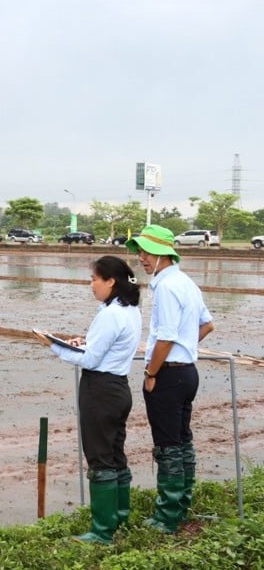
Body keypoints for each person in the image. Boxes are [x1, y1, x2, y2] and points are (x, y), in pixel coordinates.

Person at [33, 255, 141, 544]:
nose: (91, 285)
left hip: (100, 391)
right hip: (119, 388)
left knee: (100, 458)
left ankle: (102, 531)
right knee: (116, 454)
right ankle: (120, 517)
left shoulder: (110, 314)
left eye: (95, 279)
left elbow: (91, 359)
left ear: (111, 281)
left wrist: (54, 346)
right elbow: (101, 347)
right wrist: (80, 343)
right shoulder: (129, 309)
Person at [126, 224, 214, 534]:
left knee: (167, 446)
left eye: (146, 252)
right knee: (182, 440)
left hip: (168, 375)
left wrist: (151, 372)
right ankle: (181, 505)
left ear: (163, 253)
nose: (142, 258)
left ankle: (167, 517)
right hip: (188, 373)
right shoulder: (186, 282)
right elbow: (207, 324)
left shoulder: (165, 286)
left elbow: (164, 337)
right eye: (139, 252)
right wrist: (186, 346)